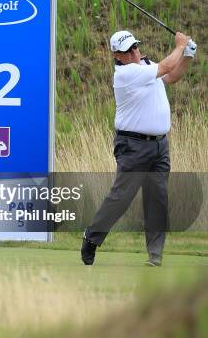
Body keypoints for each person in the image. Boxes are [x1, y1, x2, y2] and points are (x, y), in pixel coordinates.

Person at [81, 30, 197, 266]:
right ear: (117, 55)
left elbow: (172, 76)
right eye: (127, 51)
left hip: (159, 146)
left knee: (157, 200)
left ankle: (155, 255)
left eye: (134, 47)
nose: (133, 53)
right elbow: (165, 68)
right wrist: (180, 46)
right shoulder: (125, 74)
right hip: (132, 146)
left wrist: (187, 55)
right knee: (121, 198)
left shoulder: (145, 65)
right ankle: (91, 238)